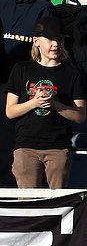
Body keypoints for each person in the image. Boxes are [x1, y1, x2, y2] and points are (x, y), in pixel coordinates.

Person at [0, 0, 56, 186]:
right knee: (2, 140)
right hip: (7, 83)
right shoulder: (3, 5)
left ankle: (34, 193)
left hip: (33, 87)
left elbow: (48, 51)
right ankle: (6, 189)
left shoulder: (44, 8)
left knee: (31, 142)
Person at [5, 17, 87, 189]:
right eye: (50, 39)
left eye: (60, 39)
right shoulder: (21, 69)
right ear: (36, 41)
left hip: (57, 147)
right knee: (29, 204)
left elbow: (80, 116)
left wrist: (55, 104)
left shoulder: (73, 73)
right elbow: (10, 111)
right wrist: (34, 102)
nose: (56, 44)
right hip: (26, 145)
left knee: (56, 204)